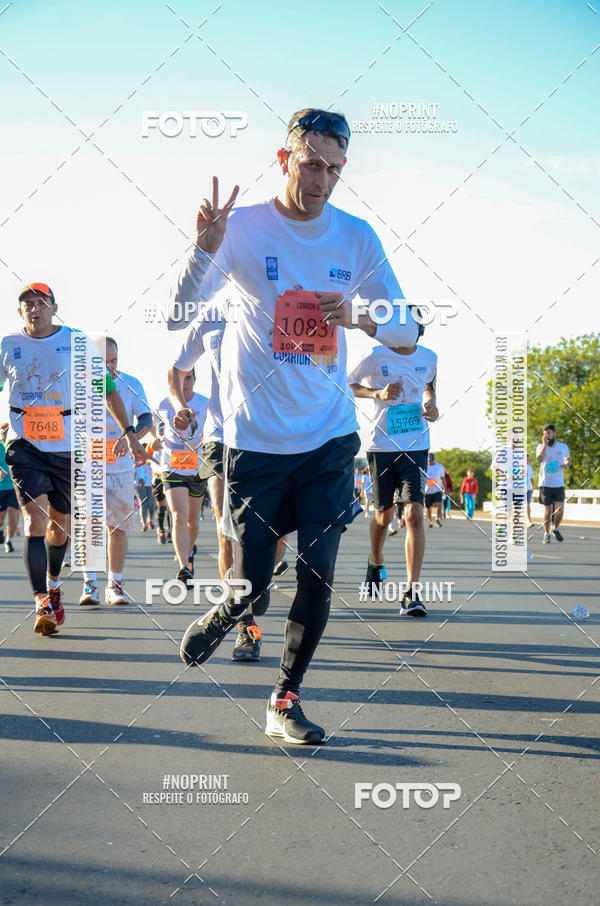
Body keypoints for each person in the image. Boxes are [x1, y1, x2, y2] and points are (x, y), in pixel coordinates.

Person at [171, 107, 418, 743]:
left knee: (317, 571)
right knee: (253, 584)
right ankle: (234, 607)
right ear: (285, 160)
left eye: (336, 169)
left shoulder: (356, 236)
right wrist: (203, 249)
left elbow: (408, 329)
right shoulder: (243, 227)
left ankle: (285, 696)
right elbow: (179, 315)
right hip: (254, 441)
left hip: (330, 437)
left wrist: (360, 316)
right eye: (312, 165)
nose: (323, 180)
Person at [0, 283, 151, 634]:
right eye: (27, 304)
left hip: (68, 448)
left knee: (59, 527)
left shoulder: (78, 342)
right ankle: (42, 601)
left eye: (41, 303)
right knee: (34, 522)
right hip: (24, 445)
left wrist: (129, 432)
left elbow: (109, 391)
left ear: (55, 308)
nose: (34, 309)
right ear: (19, 311)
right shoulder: (8, 346)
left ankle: (53, 584)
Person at [167, 302, 263, 661]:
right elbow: (176, 370)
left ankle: (257, 579)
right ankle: (245, 626)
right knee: (227, 533)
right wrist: (180, 405)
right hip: (220, 437)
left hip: (269, 438)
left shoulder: (277, 297)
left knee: (271, 536)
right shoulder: (210, 314)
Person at [348, 323, 437, 615]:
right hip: (381, 445)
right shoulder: (375, 354)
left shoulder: (429, 357)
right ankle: (375, 560)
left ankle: (412, 592)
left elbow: (429, 388)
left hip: (415, 443)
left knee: (413, 514)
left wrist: (432, 405)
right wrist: (377, 394)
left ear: (417, 332)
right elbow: (349, 384)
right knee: (383, 516)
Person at [80, 337, 152, 606]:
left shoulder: (131, 384)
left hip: (121, 470)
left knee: (117, 528)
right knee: (90, 525)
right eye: (102, 362)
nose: (108, 367)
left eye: (113, 361)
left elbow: (146, 418)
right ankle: (90, 584)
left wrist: (131, 436)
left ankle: (115, 585)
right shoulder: (80, 386)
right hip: (89, 466)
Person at [155, 368, 209, 584]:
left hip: (197, 468)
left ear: (195, 380)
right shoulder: (163, 404)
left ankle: (189, 552)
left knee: (193, 519)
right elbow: (153, 426)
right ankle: (183, 565)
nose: (184, 382)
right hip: (172, 466)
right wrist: (155, 439)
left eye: (188, 377)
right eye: (180, 378)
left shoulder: (206, 404)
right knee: (178, 515)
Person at [536, 424, 570, 543]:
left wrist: (566, 464)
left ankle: (555, 528)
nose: (547, 435)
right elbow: (539, 459)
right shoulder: (541, 446)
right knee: (548, 511)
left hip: (559, 484)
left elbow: (568, 459)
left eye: (549, 433)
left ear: (554, 434)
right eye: (545, 433)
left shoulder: (563, 446)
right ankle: (546, 534)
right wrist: (545, 445)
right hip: (546, 484)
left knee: (560, 510)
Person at [0, 424, 19, 553]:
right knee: (1, 518)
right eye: (4, 432)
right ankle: (1, 530)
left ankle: (9, 541)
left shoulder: (15, 447)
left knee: (13, 515)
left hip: (14, 487)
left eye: (7, 431)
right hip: (1, 487)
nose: (5, 434)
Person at [425, 453, 446, 527]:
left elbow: (443, 478)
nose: (429, 462)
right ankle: (430, 521)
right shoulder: (425, 466)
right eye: (428, 461)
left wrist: (444, 489)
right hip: (427, 491)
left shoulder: (439, 466)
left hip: (437, 490)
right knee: (428, 507)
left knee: (439, 504)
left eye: (431, 460)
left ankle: (437, 519)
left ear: (434, 459)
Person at [135, 461, 156, 531]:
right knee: (143, 504)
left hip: (151, 484)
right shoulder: (136, 458)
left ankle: (150, 519)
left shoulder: (152, 457)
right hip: (140, 484)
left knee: (152, 504)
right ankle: (144, 524)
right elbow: (134, 471)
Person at [526, 454, 535, 528]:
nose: (528, 460)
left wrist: (533, 488)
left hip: (528, 489)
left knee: (527, 504)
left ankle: (529, 520)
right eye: (527, 459)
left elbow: (531, 478)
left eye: (529, 459)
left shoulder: (530, 468)